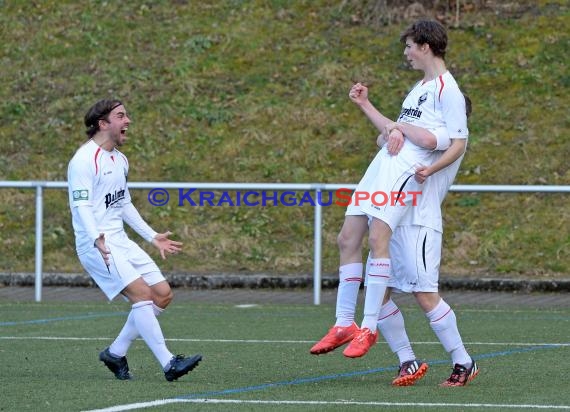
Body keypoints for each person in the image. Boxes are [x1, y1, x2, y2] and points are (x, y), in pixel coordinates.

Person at [310, 19, 469, 359]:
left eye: (409, 46)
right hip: (382, 168)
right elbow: (395, 133)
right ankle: (344, 323)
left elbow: (449, 141)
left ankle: (370, 329)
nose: (406, 52)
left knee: (386, 251)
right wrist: (373, 112)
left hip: (404, 180)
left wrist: (423, 158)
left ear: (425, 46)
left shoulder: (447, 90)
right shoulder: (419, 88)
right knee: (346, 238)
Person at [67, 99, 202, 381]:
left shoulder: (120, 159)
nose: (127, 121)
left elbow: (124, 203)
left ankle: (115, 353)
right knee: (141, 295)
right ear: (103, 124)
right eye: (121, 116)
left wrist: (153, 237)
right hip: (97, 245)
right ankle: (169, 364)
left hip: (120, 241)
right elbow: (81, 208)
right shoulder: (83, 161)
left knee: (162, 295)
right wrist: (96, 239)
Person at [377, 96, 479, 387]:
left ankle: (463, 361)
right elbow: (381, 141)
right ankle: (406, 360)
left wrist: (399, 125)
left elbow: (422, 137)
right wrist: (385, 123)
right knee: (378, 290)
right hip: (393, 221)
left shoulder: (449, 136)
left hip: (419, 224)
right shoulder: (417, 131)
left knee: (424, 294)